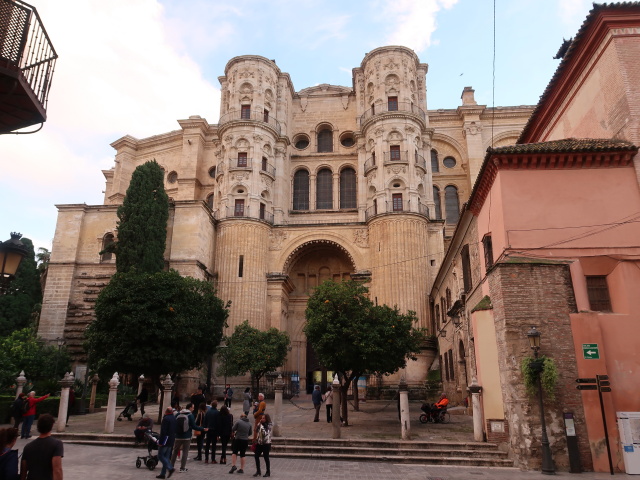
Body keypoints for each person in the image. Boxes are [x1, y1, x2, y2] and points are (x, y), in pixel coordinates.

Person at [20, 414, 63, 480]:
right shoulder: (56, 444)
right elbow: (57, 469)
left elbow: (23, 471)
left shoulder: (28, 447)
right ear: (51, 426)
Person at [170, 402, 206, 473]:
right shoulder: (190, 415)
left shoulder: (178, 414)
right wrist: (202, 429)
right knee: (185, 452)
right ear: (189, 408)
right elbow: (193, 426)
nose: (193, 409)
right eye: (192, 407)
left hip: (177, 436)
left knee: (175, 451)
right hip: (186, 436)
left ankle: (171, 466)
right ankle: (182, 468)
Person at [156, 407, 176, 479]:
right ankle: (163, 473)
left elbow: (163, 431)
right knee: (166, 457)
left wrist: (161, 441)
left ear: (166, 412)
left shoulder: (166, 419)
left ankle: (170, 468)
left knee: (160, 455)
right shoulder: (174, 418)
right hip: (171, 439)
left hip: (165, 440)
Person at [253, 414, 272, 478]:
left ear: (266, 419)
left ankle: (268, 472)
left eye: (263, 418)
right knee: (256, 456)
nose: (262, 419)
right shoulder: (260, 423)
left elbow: (266, 433)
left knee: (266, 457)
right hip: (260, 443)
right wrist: (259, 424)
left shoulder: (269, 425)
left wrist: (263, 425)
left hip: (266, 443)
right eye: (262, 418)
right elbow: (256, 429)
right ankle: (258, 471)